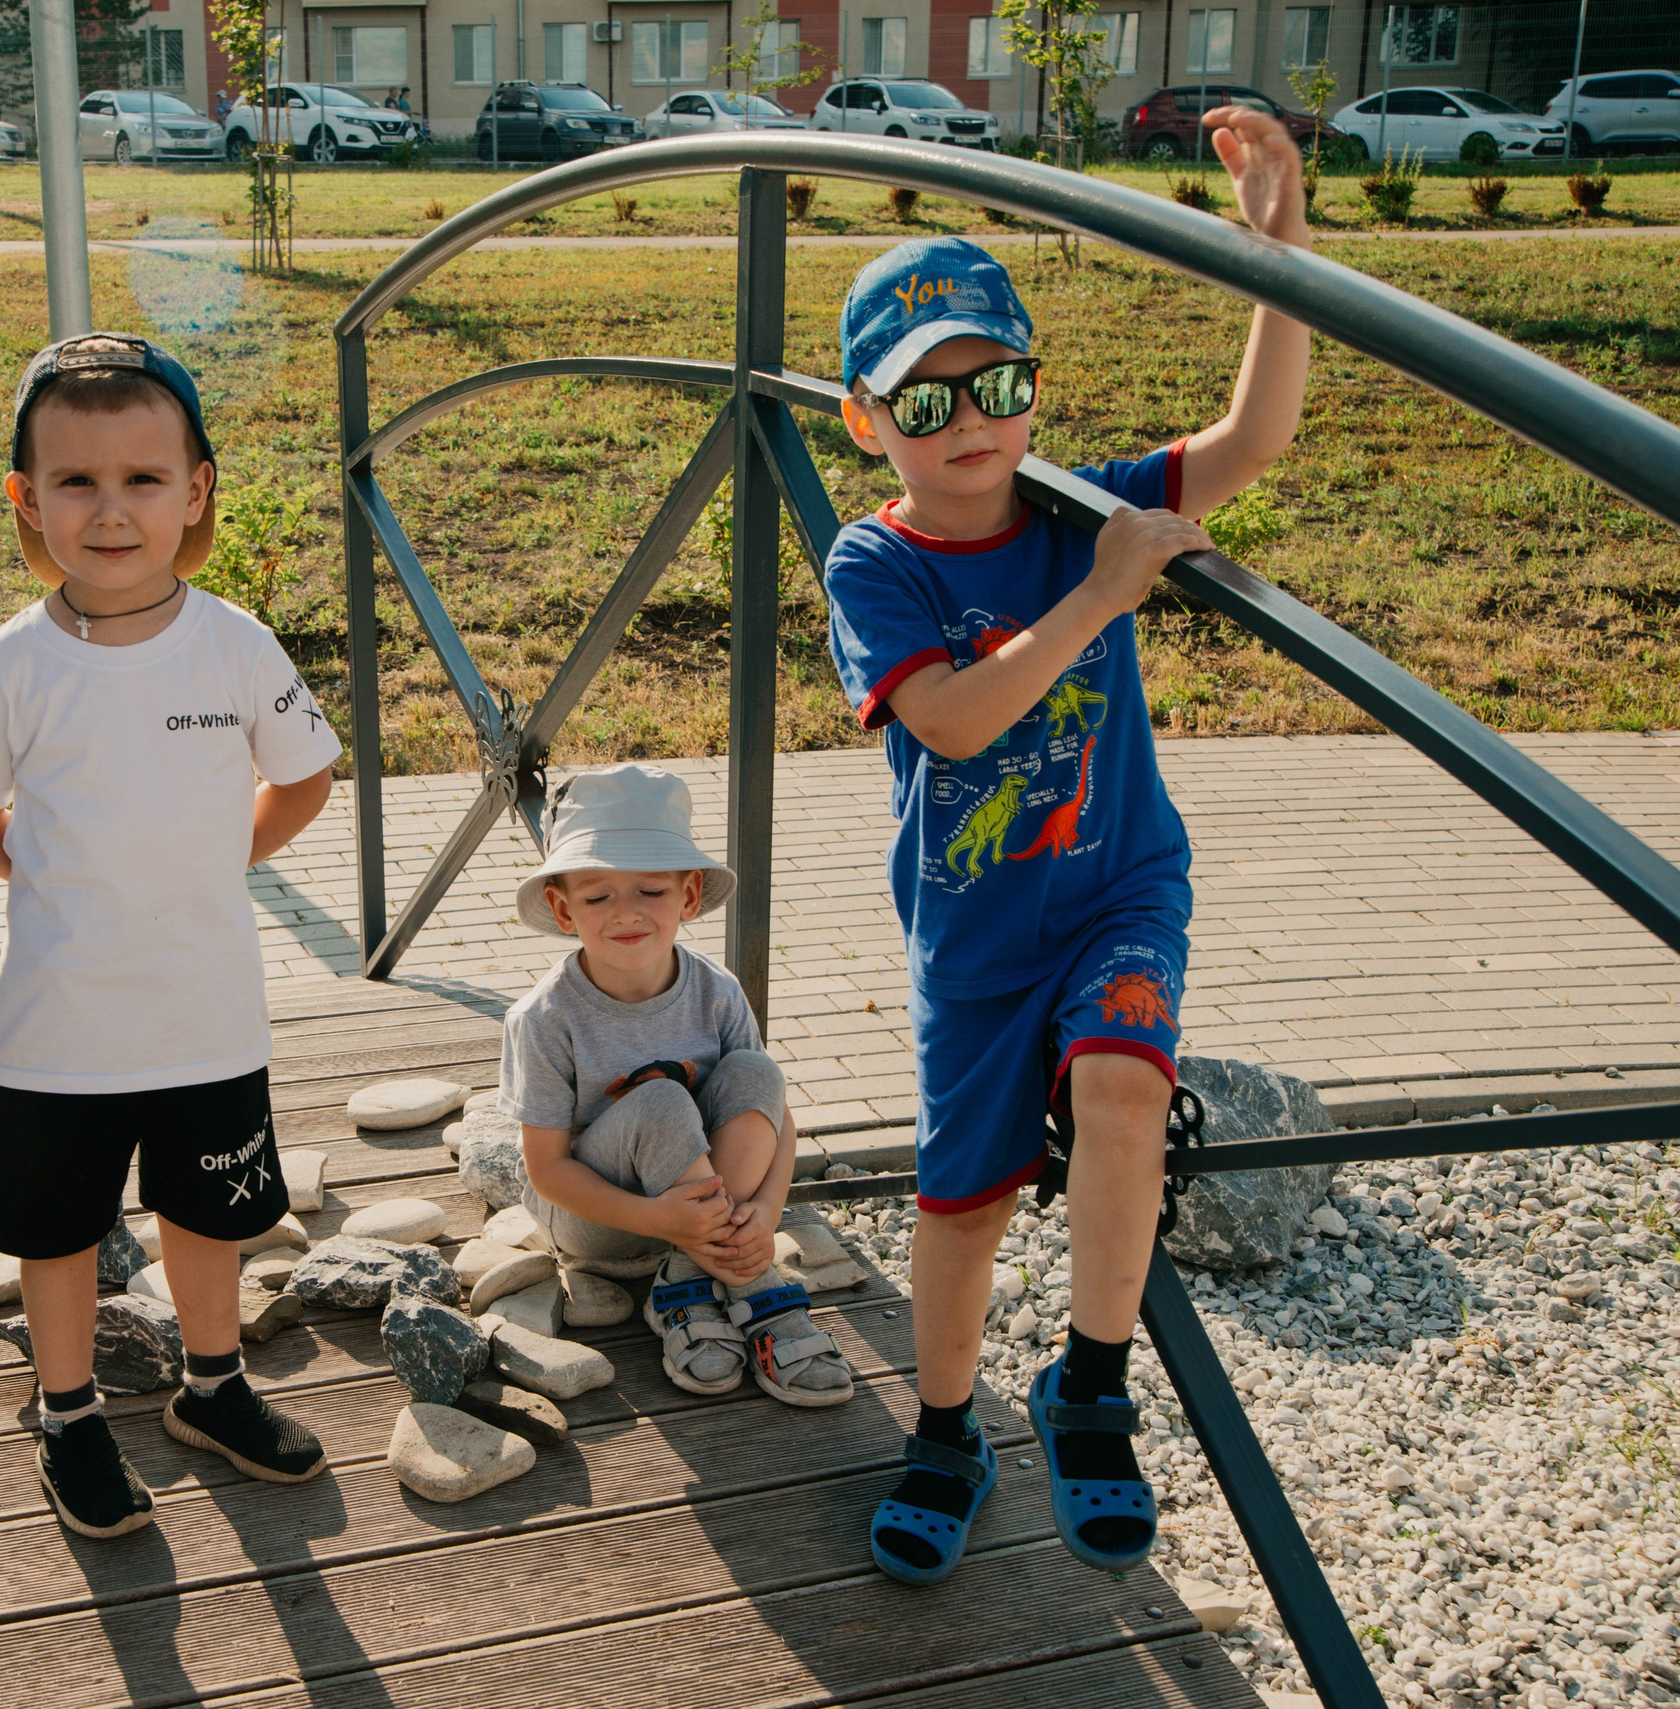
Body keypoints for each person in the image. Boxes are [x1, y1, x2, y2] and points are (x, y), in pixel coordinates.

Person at [822, 106, 1313, 1586]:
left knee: (1121, 1088)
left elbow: (1255, 440)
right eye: (925, 401)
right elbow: (959, 726)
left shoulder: (1080, 501)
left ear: (1035, 389)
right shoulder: (876, 559)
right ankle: (950, 1421)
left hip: (1115, 885)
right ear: (865, 421)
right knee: (960, 1201)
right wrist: (1102, 596)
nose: (970, 420)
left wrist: (1281, 250)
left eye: (999, 382)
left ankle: (1093, 1387)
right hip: (975, 935)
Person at [0, 332, 344, 1539]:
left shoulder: (236, 642)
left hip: (204, 1010)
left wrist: (219, 856)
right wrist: (56, 872)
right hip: (60, 1024)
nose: (111, 511)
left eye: (144, 479)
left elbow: (304, 776)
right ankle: (67, 1413)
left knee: (208, 1213)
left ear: (197, 489)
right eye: (76, 482)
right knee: (56, 1229)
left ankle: (214, 1386)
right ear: (27, 499)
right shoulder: (15, 661)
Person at [498, 764, 856, 1407]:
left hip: (699, 1207)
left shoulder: (716, 992)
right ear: (561, 907)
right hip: (601, 1219)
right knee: (661, 1099)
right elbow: (548, 1171)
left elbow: (773, 1111)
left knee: (757, 1072)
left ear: (689, 895)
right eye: (598, 895)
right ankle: (753, 1290)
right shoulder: (545, 1019)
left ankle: (690, 1276)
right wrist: (657, 1217)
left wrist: (768, 1213)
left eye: (651, 891)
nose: (627, 913)